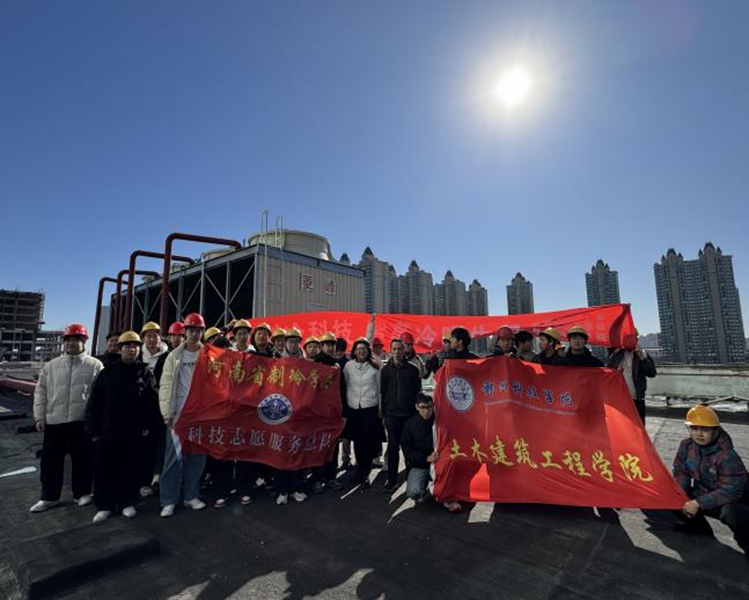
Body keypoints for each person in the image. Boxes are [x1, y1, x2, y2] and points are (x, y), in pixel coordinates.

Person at [30, 324, 104, 513]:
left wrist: (96, 421)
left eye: (75, 340)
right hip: (55, 420)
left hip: (81, 421)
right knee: (50, 460)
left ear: (84, 342)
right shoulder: (51, 366)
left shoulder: (95, 365)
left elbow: (101, 396)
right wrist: (39, 416)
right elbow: (41, 392)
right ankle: (48, 497)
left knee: (83, 459)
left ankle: (82, 493)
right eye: (68, 340)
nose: (71, 343)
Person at [85, 331, 156, 523]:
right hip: (108, 429)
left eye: (135, 346)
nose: (132, 349)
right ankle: (104, 505)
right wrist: (93, 428)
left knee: (130, 467)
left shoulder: (145, 372)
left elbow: (151, 401)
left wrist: (147, 425)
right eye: (128, 346)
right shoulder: (107, 373)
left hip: (133, 430)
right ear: (120, 349)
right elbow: (95, 402)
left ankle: (127, 502)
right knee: (105, 468)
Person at [672, 405, 749, 556]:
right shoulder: (686, 446)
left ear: (715, 431)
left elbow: (731, 490)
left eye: (705, 429)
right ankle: (699, 531)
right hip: (705, 493)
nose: (699, 433)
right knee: (674, 495)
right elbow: (681, 471)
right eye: (694, 428)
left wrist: (697, 503)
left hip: (735, 499)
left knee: (733, 514)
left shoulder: (727, 456)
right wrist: (681, 495)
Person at [158, 312, 208, 517]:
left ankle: (191, 496)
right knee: (173, 458)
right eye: (191, 330)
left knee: (197, 457)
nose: (194, 334)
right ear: (184, 332)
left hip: (201, 414)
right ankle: (168, 500)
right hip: (178, 414)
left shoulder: (208, 355)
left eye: (198, 330)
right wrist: (166, 413)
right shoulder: (174, 356)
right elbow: (165, 385)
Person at [380, 339, 422, 493]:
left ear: (404, 351)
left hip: (409, 416)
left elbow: (418, 393)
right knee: (392, 449)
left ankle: (412, 481)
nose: (397, 352)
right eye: (394, 349)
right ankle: (392, 480)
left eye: (399, 349)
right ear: (390, 351)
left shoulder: (412, 370)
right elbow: (383, 392)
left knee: (409, 450)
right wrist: (383, 413)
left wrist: (418, 414)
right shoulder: (385, 371)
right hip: (391, 416)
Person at [342, 338, 382, 487]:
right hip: (354, 408)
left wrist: (380, 408)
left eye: (364, 349)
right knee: (358, 441)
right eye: (358, 349)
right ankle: (359, 470)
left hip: (370, 408)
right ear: (354, 351)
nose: (361, 351)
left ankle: (365, 472)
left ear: (368, 351)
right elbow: (345, 385)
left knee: (368, 441)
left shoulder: (375, 366)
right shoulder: (348, 366)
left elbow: (380, 389)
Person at [138, 321, 170, 498]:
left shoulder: (168, 356)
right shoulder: (137, 356)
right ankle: (143, 480)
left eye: (155, 335)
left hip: (162, 405)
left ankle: (158, 475)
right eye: (148, 336)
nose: (152, 339)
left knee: (161, 442)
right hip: (141, 408)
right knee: (143, 445)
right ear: (143, 338)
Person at [312, 332, 344, 492]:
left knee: (333, 446)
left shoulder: (337, 365)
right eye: (328, 344)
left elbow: (342, 389)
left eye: (332, 345)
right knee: (317, 446)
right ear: (321, 346)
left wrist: (343, 411)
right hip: (317, 413)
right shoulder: (314, 363)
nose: (330, 348)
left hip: (333, 412)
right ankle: (317, 478)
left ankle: (331, 477)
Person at [607, 332, 657, 423]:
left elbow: (652, 373)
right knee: (624, 425)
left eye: (632, 338)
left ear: (636, 339)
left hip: (637, 398)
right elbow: (609, 371)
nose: (628, 341)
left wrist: (642, 358)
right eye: (626, 338)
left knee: (639, 424)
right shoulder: (618, 354)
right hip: (621, 398)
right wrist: (616, 370)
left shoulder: (642, 354)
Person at [401, 393, 437, 503]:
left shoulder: (439, 423)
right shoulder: (409, 425)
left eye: (429, 407)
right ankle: (425, 487)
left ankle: (438, 491)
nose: (426, 411)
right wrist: (426, 458)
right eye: (423, 407)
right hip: (420, 464)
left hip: (438, 462)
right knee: (414, 492)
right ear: (417, 407)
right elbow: (407, 452)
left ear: (433, 406)